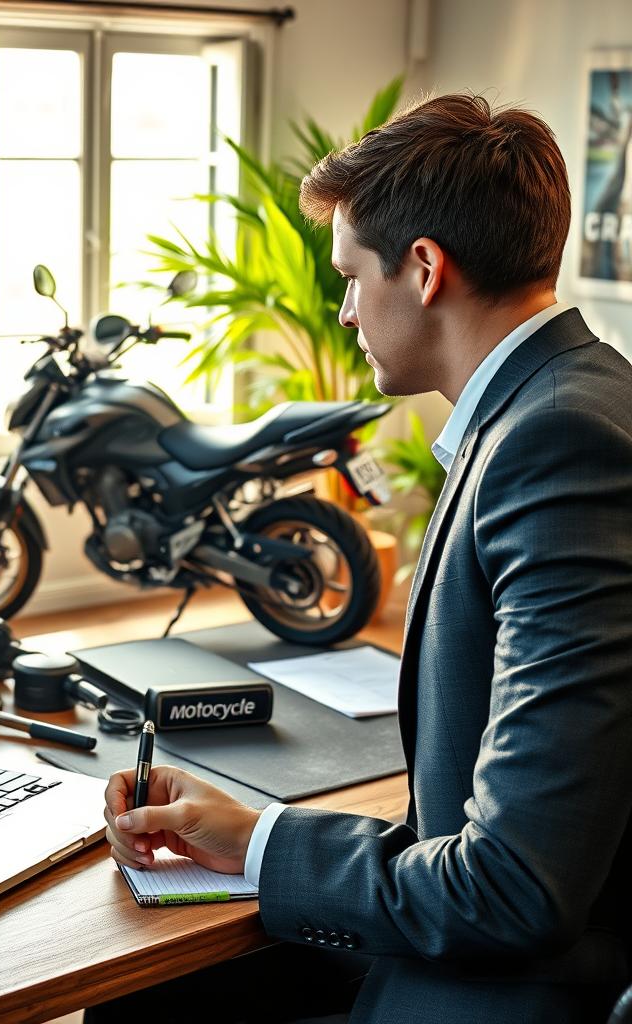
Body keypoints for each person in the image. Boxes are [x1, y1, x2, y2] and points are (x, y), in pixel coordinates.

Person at [93, 93, 632, 1024]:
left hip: (511, 991)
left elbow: (514, 886)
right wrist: (253, 834)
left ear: (424, 270)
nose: (343, 311)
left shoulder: (556, 444)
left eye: (349, 277)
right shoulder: (585, 392)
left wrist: (262, 842)